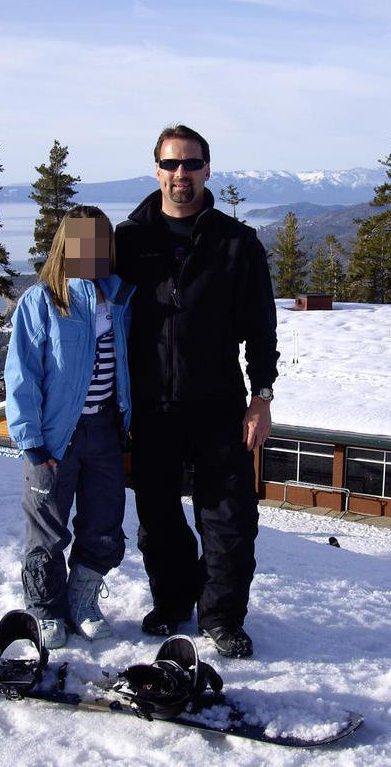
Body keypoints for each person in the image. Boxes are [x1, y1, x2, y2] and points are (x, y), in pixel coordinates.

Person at [114, 125, 279, 658]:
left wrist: (262, 397)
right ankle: (172, 601)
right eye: (171, 164)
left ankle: (222, 617)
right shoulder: (127, 241)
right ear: (156, 169)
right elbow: (92, 312)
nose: (180, 174)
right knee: (158, 516)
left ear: (207, 169)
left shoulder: (237, 243)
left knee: (229, 517)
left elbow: (261, 327)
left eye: (190, 163)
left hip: (218, 404)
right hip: (152, 407)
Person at [4, 205, 135, 649]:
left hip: (105, 431)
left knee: (104, 523)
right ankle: (44, 609)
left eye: (99, 240)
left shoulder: (120, 299)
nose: (91, 250)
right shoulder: (42, 301)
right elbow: (21, 376)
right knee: (47, 528)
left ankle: (82, 602)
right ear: (66, 245)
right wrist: (31, 442)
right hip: (55, 438)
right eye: (82, 241)